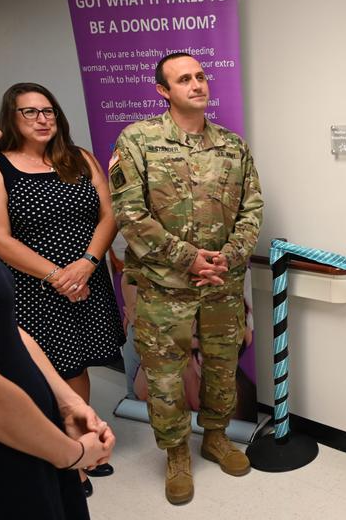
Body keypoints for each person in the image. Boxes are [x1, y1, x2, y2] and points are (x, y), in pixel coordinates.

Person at [0, 65, 115, 519]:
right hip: (35, 285)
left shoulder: (79, 158)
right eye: (29, 113)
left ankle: (77, 433)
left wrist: (86, 265)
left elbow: (108, 214)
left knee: (77, 363)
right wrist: (58, 276)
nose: (41, 119)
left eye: (48, 111)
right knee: (51, 360)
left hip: (87, 277)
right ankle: (70, 455)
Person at [110, 52, 264, 505]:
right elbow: (130, 215)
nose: (196, 84)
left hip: (221, 285)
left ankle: (215, 437)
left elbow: (252, 207)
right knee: (164, 379)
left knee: (221, 367)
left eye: (200, 76)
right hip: (164, 287)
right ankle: (177, 453)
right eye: (184, 79)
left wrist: (228, 257)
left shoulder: (232, 145)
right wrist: (189, 259)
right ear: (164, 91)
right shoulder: (138, 140)